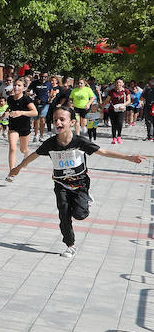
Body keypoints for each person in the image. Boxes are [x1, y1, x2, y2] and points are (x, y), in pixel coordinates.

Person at [8, 106, 144, 257]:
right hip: (60, 184)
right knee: (64, 213)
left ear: (72, 122)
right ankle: (70, 245)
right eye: (55, 120)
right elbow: (33, 155)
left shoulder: (79, 141)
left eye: (62, 119)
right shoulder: (50, 144)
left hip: (80, 184)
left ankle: (85, 200)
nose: (58, 122)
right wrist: (18, 168)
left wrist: (128, 157)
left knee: (80, 214)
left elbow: (103, 152)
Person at [3, 78, 38, 172]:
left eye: (19, 85)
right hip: (13, 126)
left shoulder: (27, 99)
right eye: (15, 85)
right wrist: (2, 116)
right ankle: (12, 171)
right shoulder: (10, 99)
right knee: (12, 147)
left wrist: (21, 113)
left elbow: (35, 112)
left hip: (24, 127)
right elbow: (9, 109)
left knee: (23, 149)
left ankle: (26, 153)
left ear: (24, 88)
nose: (16, 87)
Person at [104, 78, 130, 144]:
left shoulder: (126, 91)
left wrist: (123, 105)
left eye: (120, 82)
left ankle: (119, 136)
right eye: (117, 82)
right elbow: (107, 100)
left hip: (121, 109)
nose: (118, 84)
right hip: (112, 109)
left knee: (120, 122)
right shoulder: (112, 91)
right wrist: (102, 106)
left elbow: (129, 100)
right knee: (113, 124)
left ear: (123, 83)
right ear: (115, 84)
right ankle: (114, 137)